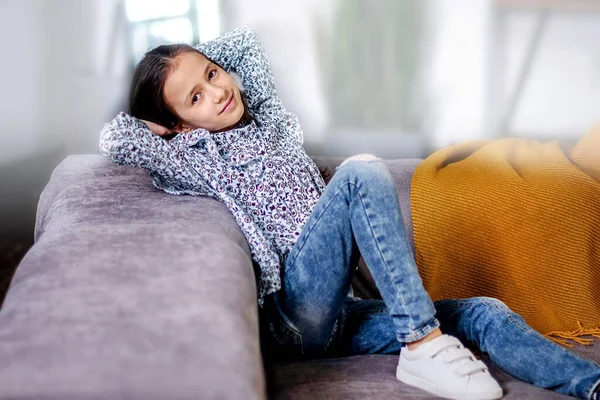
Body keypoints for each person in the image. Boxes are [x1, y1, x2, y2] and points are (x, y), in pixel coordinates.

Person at [99, 26, 600, 400]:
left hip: (342, 313)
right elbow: (118, 137)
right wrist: (164, 121)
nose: (217, 91)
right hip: (293, 315)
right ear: (178, 125)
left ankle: (590, 384)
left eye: (212, 72)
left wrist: (201, 73)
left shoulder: (269, 124)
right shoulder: (197, 154)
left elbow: (244, 46)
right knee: (361, 172)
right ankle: (422, 344)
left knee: (484, 312)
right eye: (195, 97)